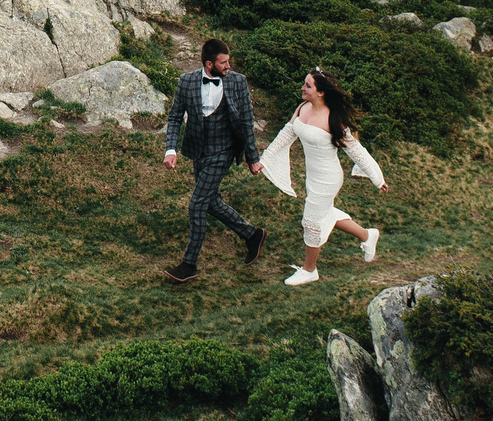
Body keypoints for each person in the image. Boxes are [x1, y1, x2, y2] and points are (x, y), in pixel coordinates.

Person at [257, 66, 384, 286]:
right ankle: (367, 235)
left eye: (308, 85)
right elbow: (286, 135)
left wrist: (378, 178)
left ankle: (309, 270)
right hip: (312, 177)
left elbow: (357, 151)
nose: (302, 88)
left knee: (312, 221)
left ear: (321, 92)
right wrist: (264, 159)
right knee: (326, 214)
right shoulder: (302, 108)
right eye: (304, 83)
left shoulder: (334, 119)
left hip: (328, 179)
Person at [160, 38, 264, 282]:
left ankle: (189, 265)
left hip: (224, 150)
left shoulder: (238, 82)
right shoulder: (186, 81)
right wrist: (170, 150)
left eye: (229, 61)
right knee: (211, 202)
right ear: (209, 64)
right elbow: (175, 117)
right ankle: (252, 235)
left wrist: (252, 157)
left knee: (197, 204)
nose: (229, 66)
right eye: (223, 62)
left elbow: (247, 122)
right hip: (198, 151)